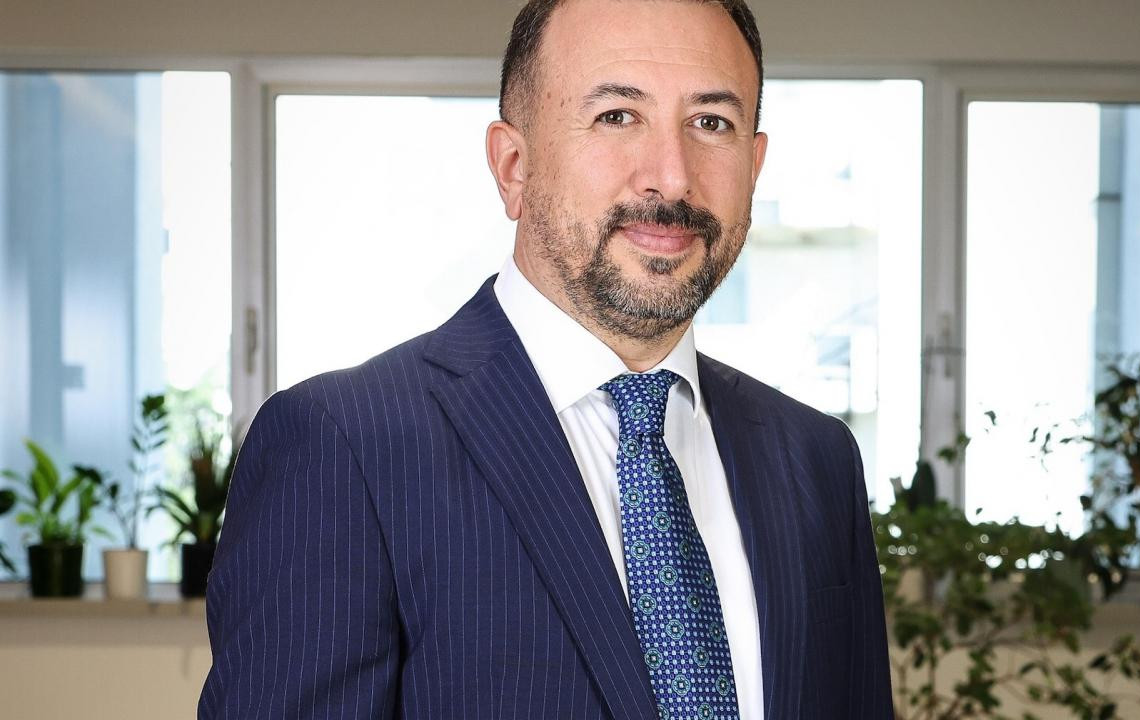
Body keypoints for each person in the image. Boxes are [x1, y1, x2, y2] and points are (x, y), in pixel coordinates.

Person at [197, 0, 892, 717]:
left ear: (755, 164)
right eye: (617, 116)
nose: (672, 177)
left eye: (711, 122)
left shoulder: (816, 458)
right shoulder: (343, 446)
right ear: (514, 166)